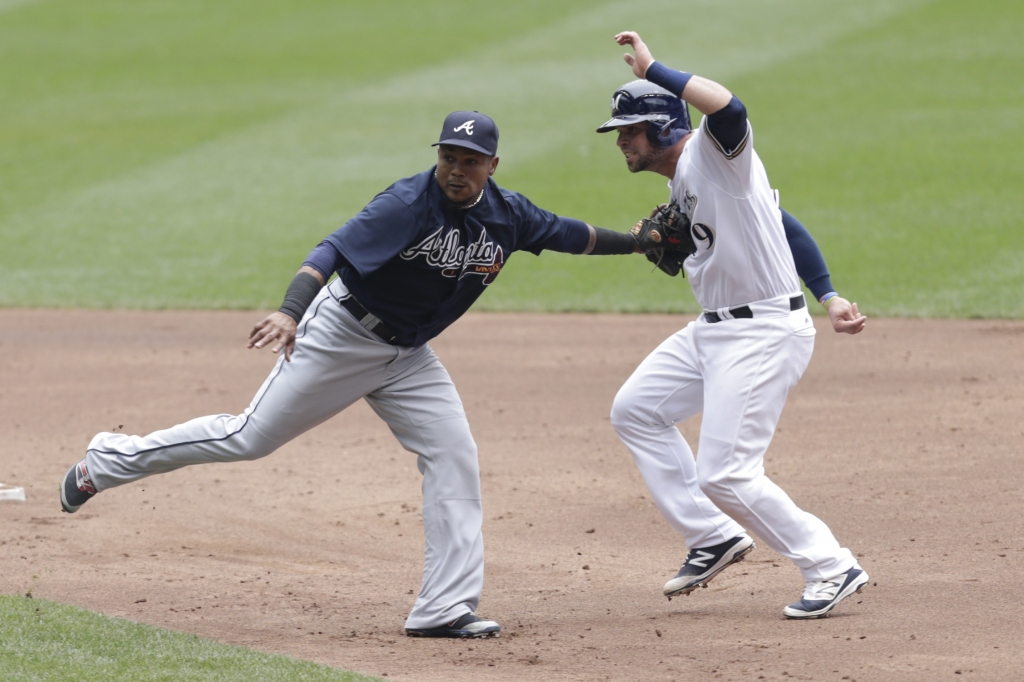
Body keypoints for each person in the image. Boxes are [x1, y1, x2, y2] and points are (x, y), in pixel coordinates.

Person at [58, 111, 644, 639]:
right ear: (436, 157)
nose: (456, 170)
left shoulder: (507, 215)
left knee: (454, 454)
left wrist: (644, 243)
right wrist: (290, 312)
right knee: (248, 437)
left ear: (493, 164)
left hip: (408, 356)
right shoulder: (407, 204)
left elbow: (574, 236)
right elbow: (330, 251)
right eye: (447, 157)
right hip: (342, 336)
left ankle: (443, 607)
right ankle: (107, 460)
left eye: (469, 161)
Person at [601, 32, 869, 619]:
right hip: (714, 332)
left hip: (763, 334)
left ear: (664, 127)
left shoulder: (714, 154)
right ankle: (712, 536)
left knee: (725, 472)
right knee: (636, 409)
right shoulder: (686, 178)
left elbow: (729, 107)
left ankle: (831, 565)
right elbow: (783, 222)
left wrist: (656, 69)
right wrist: (829, 293)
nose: (620, 141)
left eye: (629, 130)